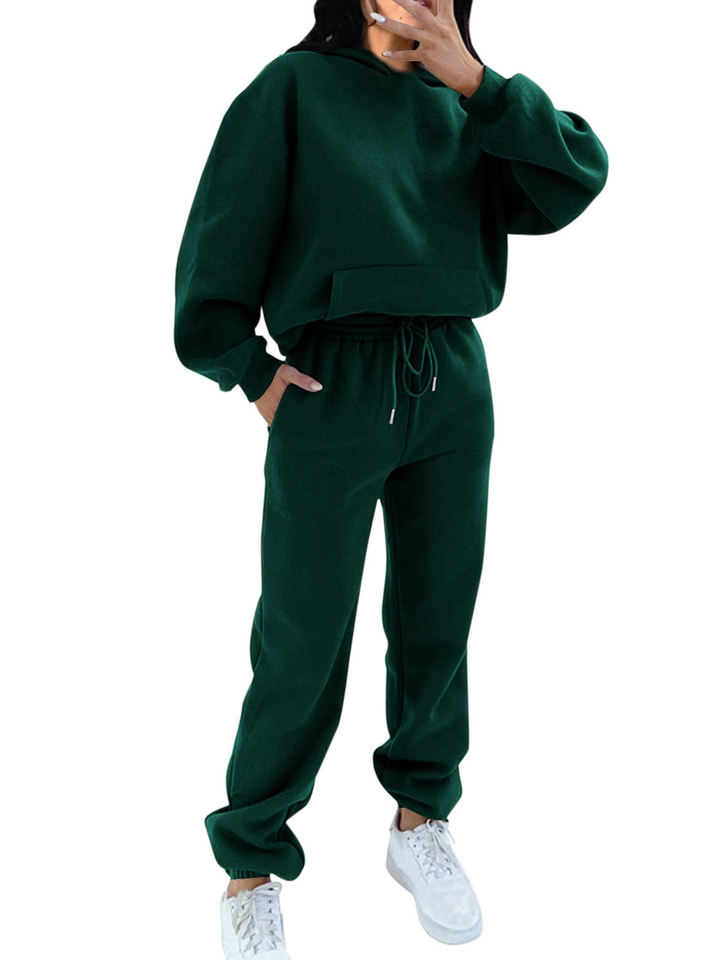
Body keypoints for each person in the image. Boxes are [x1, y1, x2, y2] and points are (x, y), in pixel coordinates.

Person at [173, 1, 608, 955]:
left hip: (452, 376)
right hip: (333, 387)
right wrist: (248, 370)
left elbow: (578, 177)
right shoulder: (292, 91)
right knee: (302, 633)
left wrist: (478, 84)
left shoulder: (468, 101)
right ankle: (250, 864)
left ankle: (421, 820)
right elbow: (217, 247)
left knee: (437, 616)